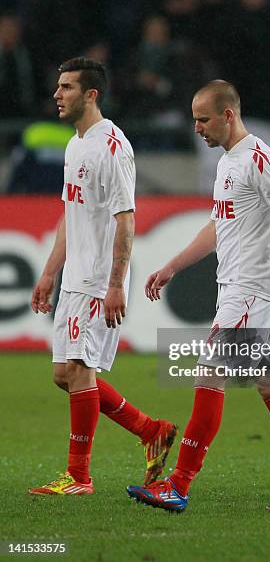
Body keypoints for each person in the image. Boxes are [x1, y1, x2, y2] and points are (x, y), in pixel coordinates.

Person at [127, 79, 270, 512]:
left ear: (228, 115)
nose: (197, 128)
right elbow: (216, 227)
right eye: (193, 120)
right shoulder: (228, 162)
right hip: (243, 293)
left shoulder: (258, 159)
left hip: (249, 295)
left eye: (203, 119)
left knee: (209, 378)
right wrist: (172, 266)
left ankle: (179, 485)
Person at [29, 57, 177, 495]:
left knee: (79, 369)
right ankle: (150, 430)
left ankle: (79, 476)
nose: (58, 94)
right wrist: (49, 273)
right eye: (58, 87)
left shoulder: (112, 146)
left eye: (67, 87)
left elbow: (126, 220)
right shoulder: (75, 145)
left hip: (98, 279)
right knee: (64, 373)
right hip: (75, 277)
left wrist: (115, 284)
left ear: (91, 94)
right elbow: (69, 215)